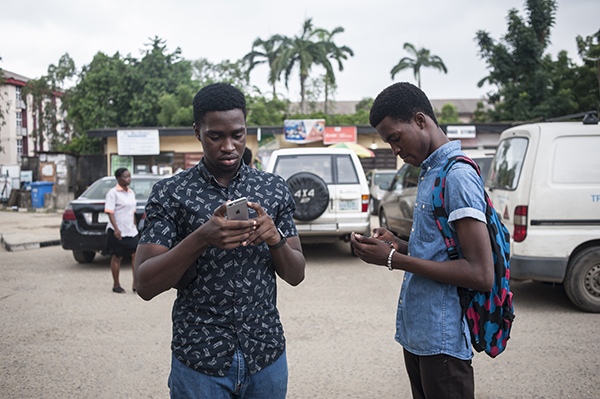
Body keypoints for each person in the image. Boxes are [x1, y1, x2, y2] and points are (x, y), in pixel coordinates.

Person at [134, 82, 306, 399]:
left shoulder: (273, 189)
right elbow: (144, 283)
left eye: (237, 135)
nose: (228, 146)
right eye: (216, 136)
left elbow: (296, 274)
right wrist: (202, 236)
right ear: (198, 131)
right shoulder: (171, 193)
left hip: (265, 355)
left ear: (246, 131)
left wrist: (274, 238)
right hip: (199, 359)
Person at [351, 82, 494, 399]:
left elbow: (480, 273)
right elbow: (441, 251)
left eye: (395, 138)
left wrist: (393, 260)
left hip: (442, 338)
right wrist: (397, 244)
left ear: (420, 120)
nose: (395, 151)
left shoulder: (457, 175)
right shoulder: (431, 171)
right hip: (421, 333)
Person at [104, 168, 138, 294]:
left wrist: (134, 225)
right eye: (125, 176)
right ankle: (116, 284)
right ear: (118, 178)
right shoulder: (113, 193)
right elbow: (110, 212)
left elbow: (132, 212)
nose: (128, 179)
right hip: (117, 230)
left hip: (131, 230)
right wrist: (116, 229)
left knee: (135, 255)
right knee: (117, 257)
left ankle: (135, 284)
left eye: (129, 176)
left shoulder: (131, 193)